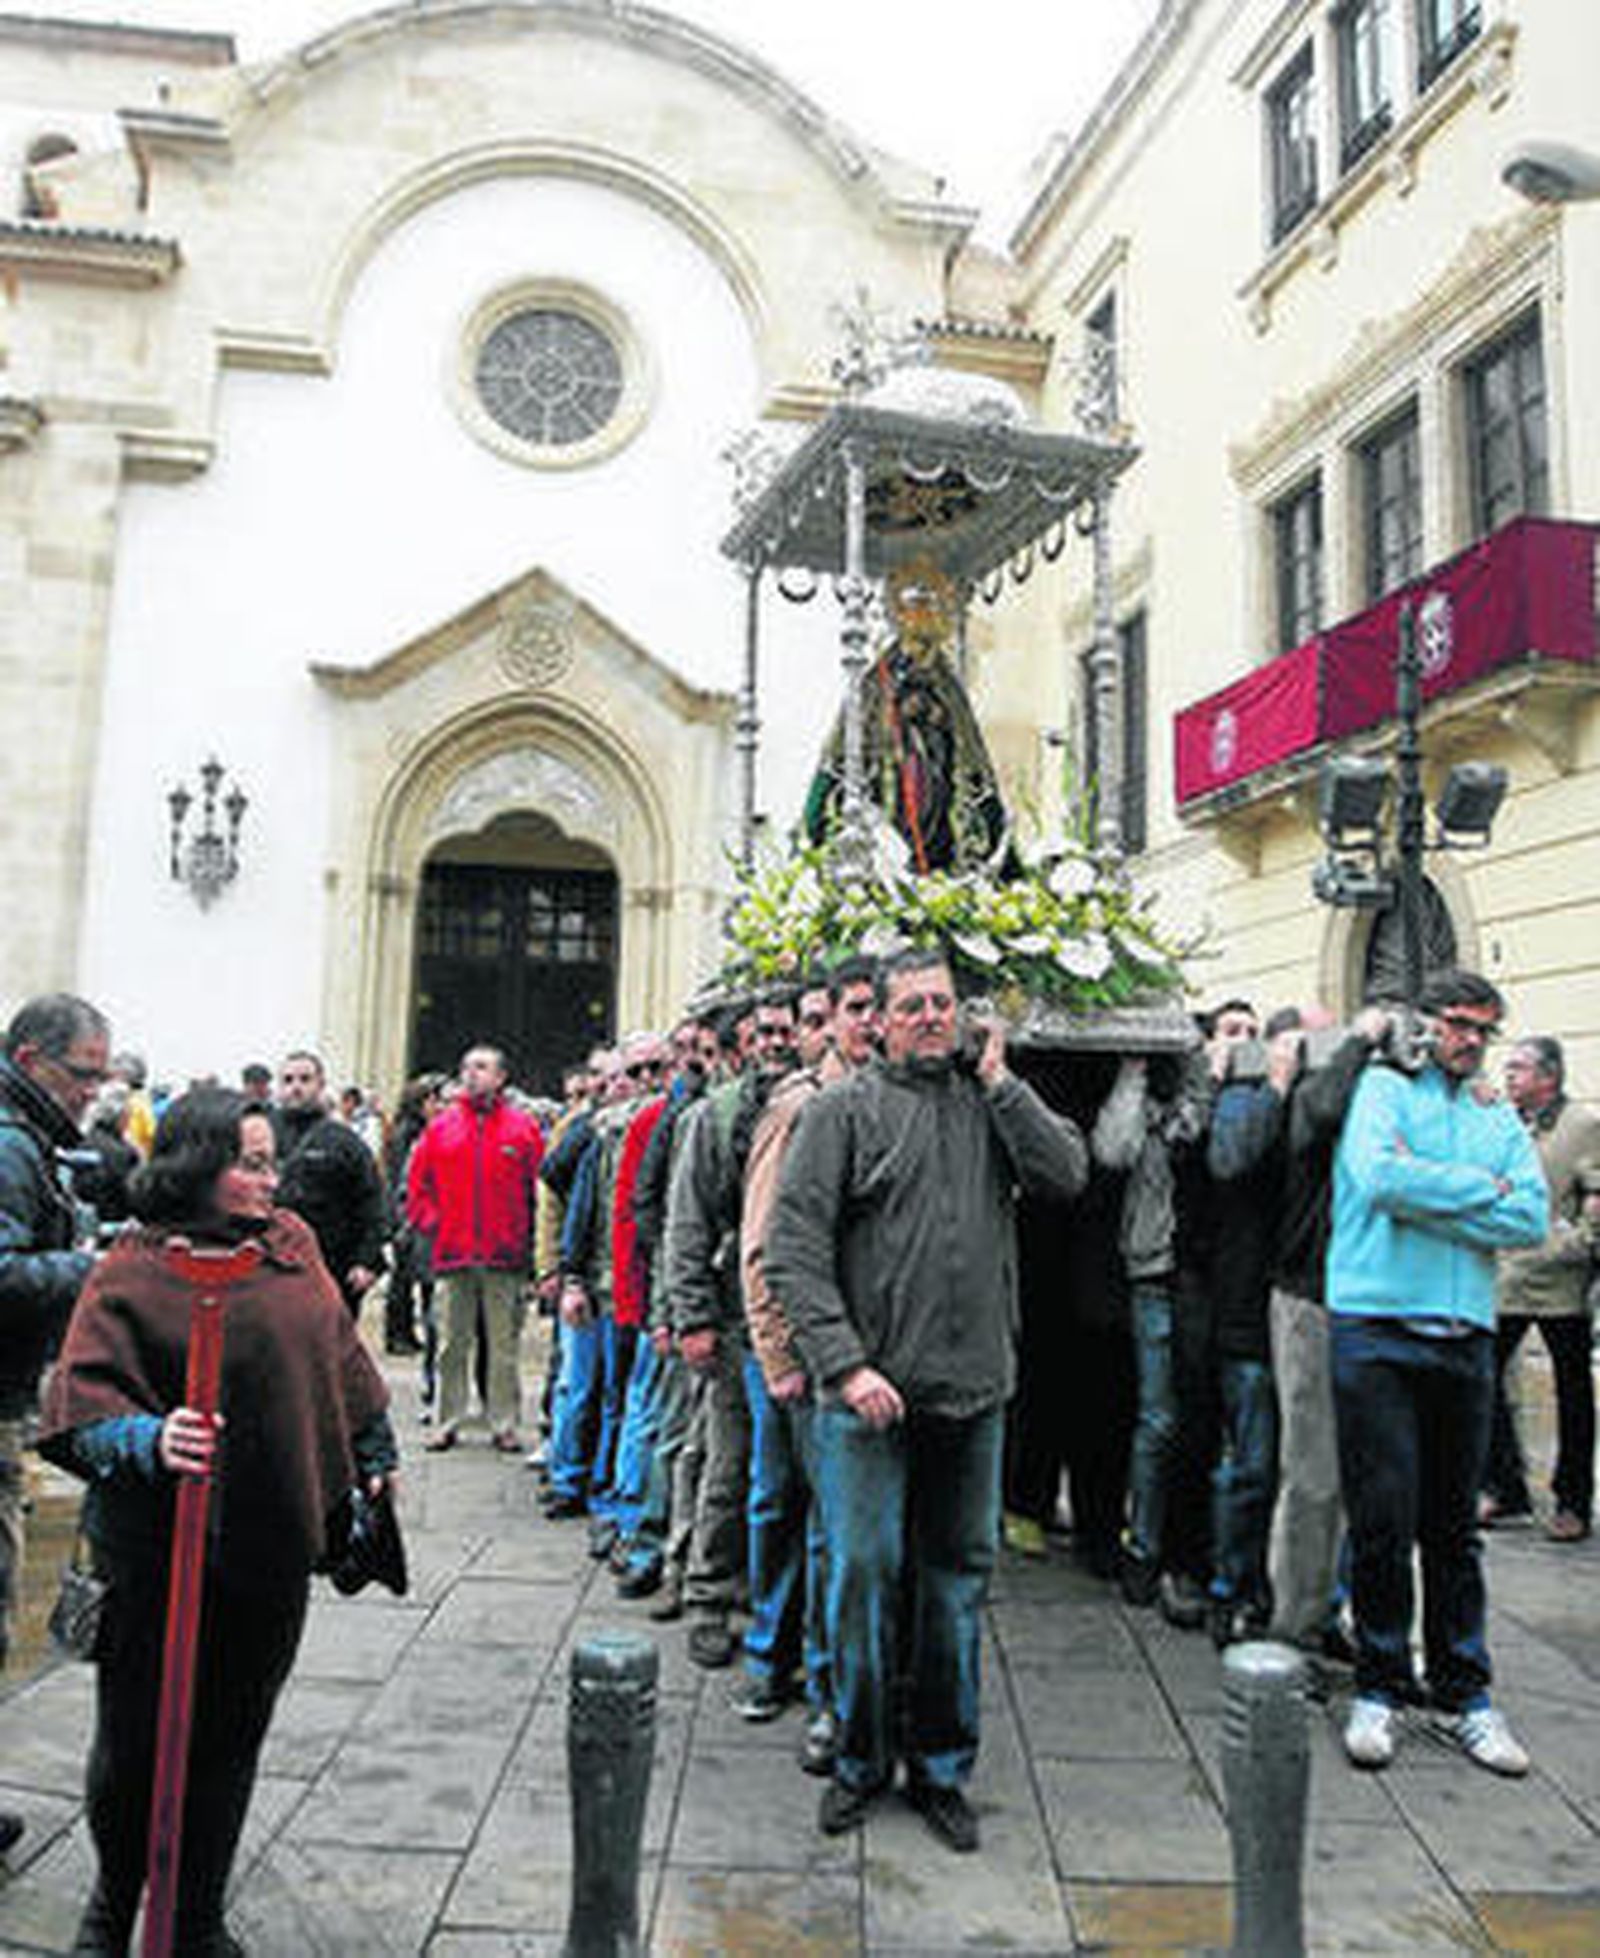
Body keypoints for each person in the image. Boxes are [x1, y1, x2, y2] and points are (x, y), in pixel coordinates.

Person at [37, 1087, 398, 1954]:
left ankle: (196, 1914)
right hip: (152, 1550)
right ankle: (112, 1907)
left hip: (265, 1542)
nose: (269, 1179)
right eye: (249, 1162)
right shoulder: (132, 1266)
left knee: (232, 1735)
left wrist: (376, 1454)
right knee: (131, 1742)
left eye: (271, 1160)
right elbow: (79, 1406)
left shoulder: (291, 1246)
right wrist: (149, 1438)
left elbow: (340, 1362)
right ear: (198, 1165)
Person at [766, 947, 1088, 1851]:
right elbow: (794, 1250)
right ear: (879, 1018)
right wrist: (844, 1363)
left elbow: (1065, 1175)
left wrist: (1004, 1084)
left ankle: (942, 1766)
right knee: (864, 1576)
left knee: (954, 1588)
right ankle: (862, 1759)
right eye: (911, 1005)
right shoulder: (839, 1113)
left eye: (942, 1003)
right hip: (867, 1401)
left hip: (973, 1392)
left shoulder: (989, 1107)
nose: (928, 1018)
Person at [1328, 970, 1547, 1776]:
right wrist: (1473, 1192)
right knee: (1383, 1519)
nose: (1468, 1040)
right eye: (1456, 1024)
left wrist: (1435, 1190)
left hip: (1463, 1332)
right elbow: (1377, 1178)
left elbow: (1528, 1212)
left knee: (1454, 1528)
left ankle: (1465, 1693)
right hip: (1377, 1324)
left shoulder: (1492, 1113)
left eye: (1481, 1029)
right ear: (1424, 1025)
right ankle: (1380, 1686)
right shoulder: (1382, 1089)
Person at [735, 962, 877, 1757]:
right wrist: (778, 1349)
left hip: (856, 1353)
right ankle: (791, 1668)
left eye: (855, 1011)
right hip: (799, 1354)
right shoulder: (800, 1107)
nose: (842, 1027)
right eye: (832, 1013)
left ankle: (813, 1668)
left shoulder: (881, 1098)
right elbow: (763, 1242)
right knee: (796, 1513)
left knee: (827, 1523)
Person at [0, 993, 110, 1858]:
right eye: (84, 1074)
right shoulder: (9, 1141)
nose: (95, 1092)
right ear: (34, 1059)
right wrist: (95, 1267)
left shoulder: (28, 1135)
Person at [1485, 1036, 1600, 1542]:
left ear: (1549, 1076)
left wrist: (1573, 1242)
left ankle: (1573, 1501)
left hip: (1561, 1284)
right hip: (1506, 1278)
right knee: (1481, 1379)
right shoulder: (1505, 1121)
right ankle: (1505, 1487)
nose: (1509, 1076)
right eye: (1507, 1068)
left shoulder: (1583, 1126)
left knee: (1573, 1393)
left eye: (1519, 1069)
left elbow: (1597, 1195)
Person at [407, 1044, 544, 1451]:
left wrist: (532, 1247)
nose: (471, 1074)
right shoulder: (441, 1128)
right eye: (467, 1067)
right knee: (450, 1345)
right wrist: (435, 1224)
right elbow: (417, 1189)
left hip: (505, 1255)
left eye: (482, 1067)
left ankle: (503, 1422)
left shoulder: (523, 1129)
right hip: (453, 1254)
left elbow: (538, 1192)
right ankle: (446, 1419)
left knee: (504, 1347)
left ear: (501, 1077)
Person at [271, 1051, 389, 1319]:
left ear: (321, 1085)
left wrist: (367, 1260)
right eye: (288, 1080)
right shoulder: (261, 1135)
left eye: (305, 1079)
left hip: (333, 1265)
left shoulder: (344, 1141)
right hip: (271, 1266)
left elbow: (371, 1201)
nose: (296, 1087)